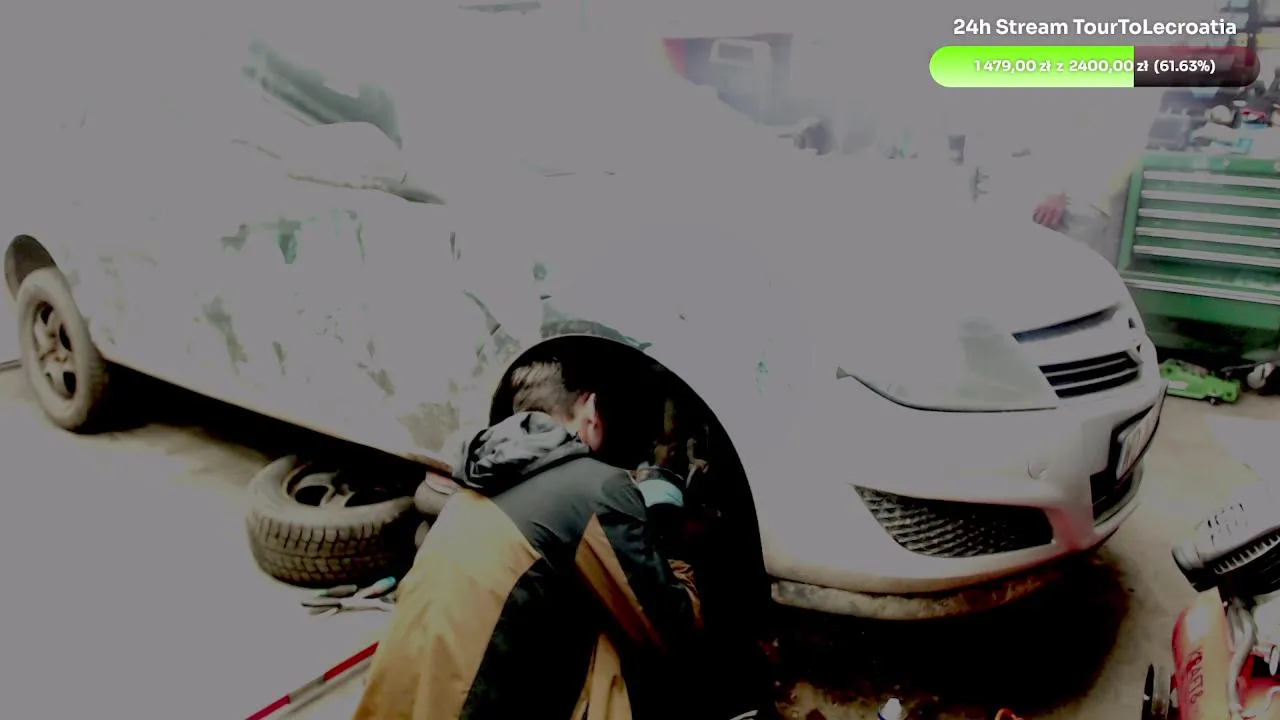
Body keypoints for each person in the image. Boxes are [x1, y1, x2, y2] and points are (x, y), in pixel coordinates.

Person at [352, 357, 774, 720]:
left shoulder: (477, 478)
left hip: (406, 702)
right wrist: (666, 523)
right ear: (590, 408)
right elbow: (675, 629)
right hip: (478, 707)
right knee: (667, 657)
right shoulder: (595, 488)